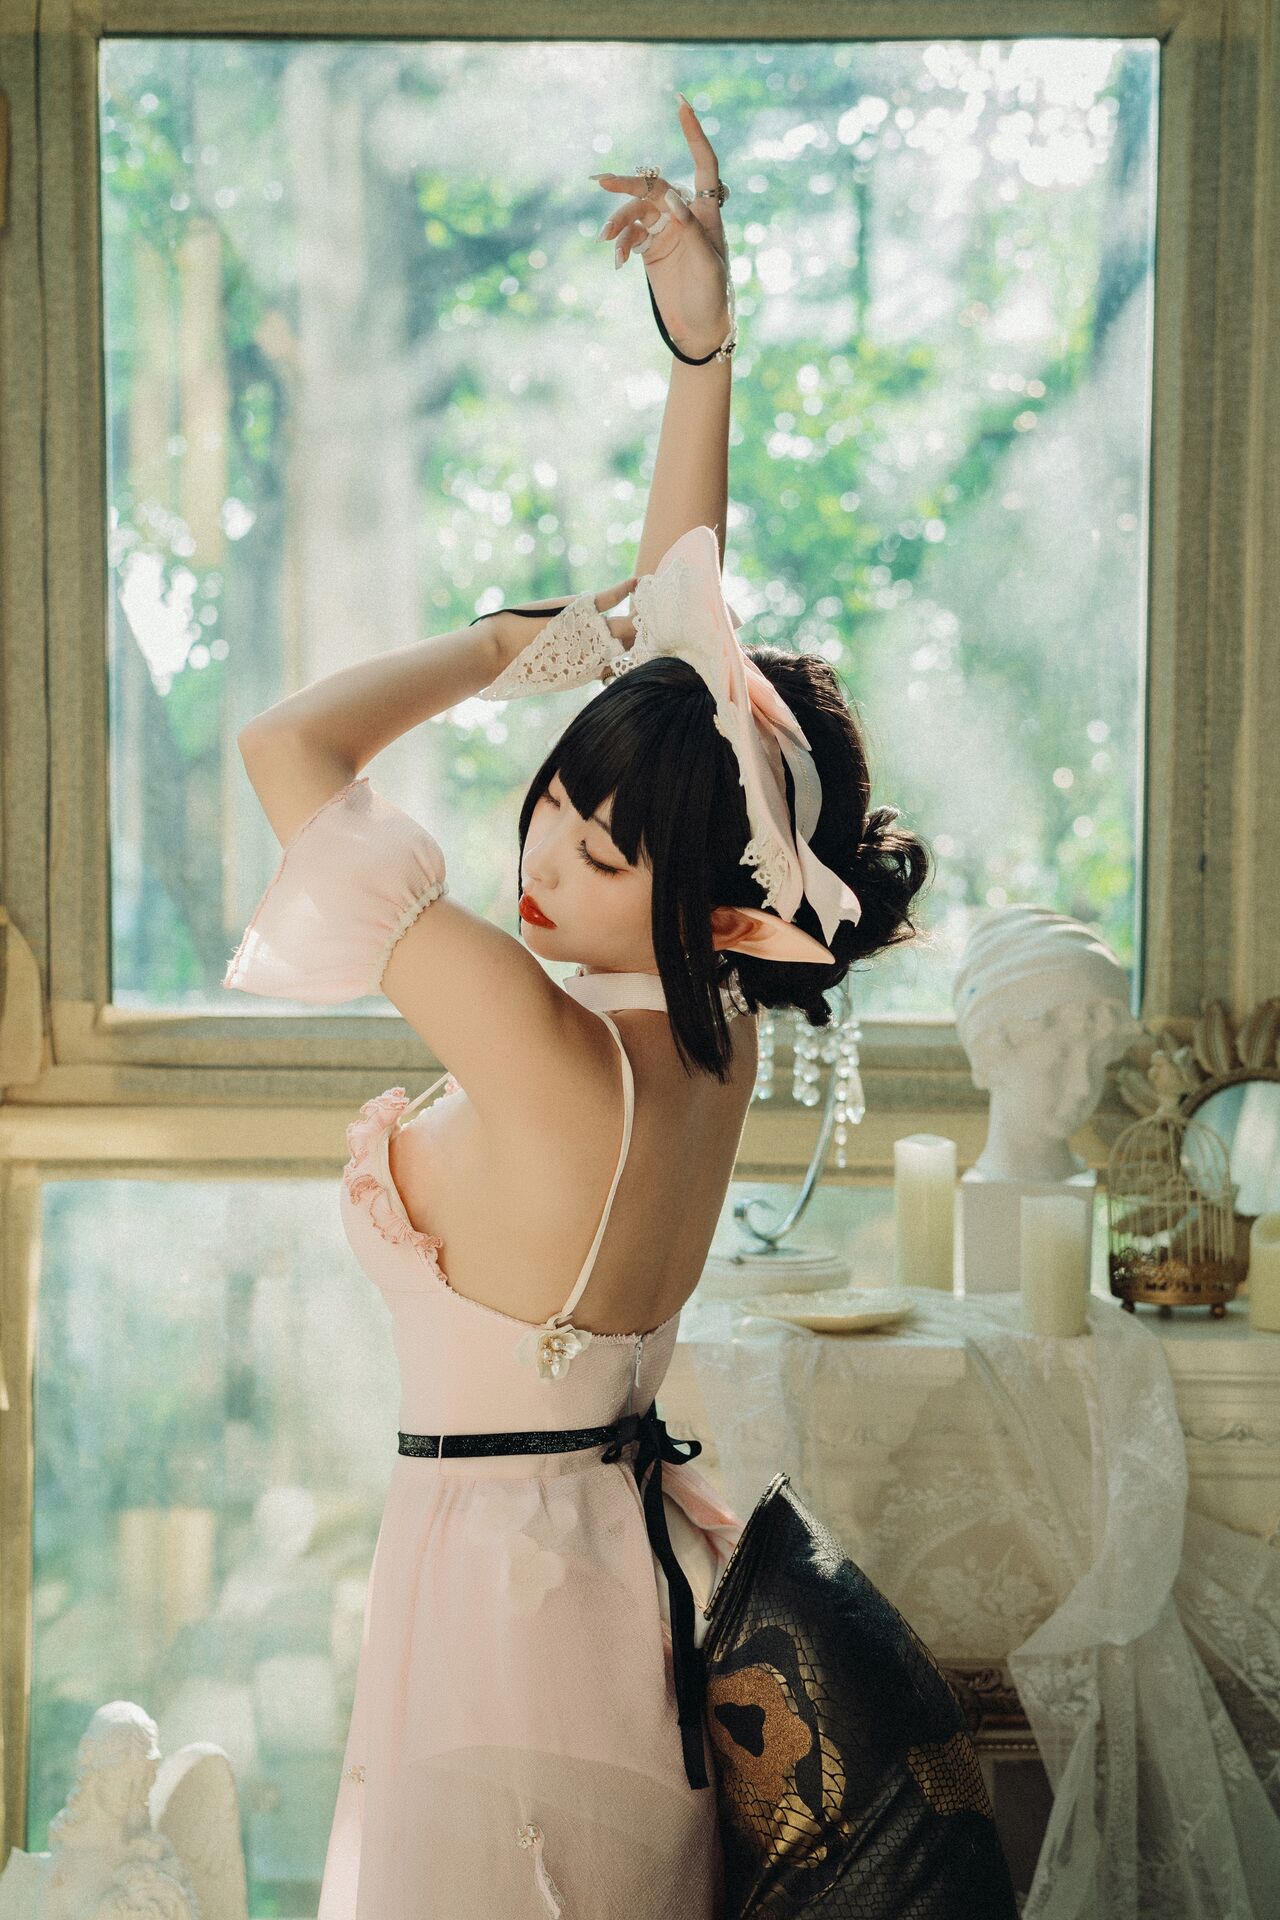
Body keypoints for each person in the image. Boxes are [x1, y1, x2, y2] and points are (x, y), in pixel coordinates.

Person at [222, 95, 930, 1920]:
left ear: (710, 900)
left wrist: (511, 645)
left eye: (601, 848)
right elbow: (704, 661)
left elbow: (285, 748)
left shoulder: (539, 1047)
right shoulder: (715, 1022)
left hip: (494, 1630)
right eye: (551, 797)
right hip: (617, 1607)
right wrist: (703, 344)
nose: (541, 856)